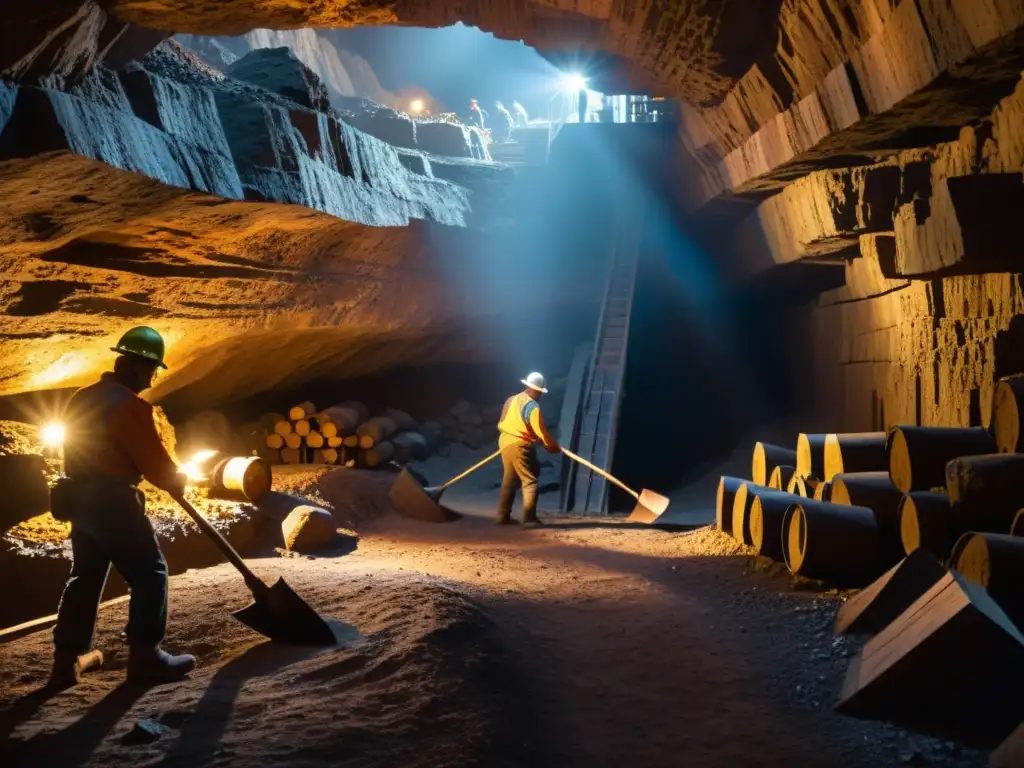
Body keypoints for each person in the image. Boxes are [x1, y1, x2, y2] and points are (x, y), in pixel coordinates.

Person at [50, 326, 196, 688]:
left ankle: (65, 662)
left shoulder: (81, 397)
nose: (150, 380)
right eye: (150, 371)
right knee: (150, 572)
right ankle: (146, 657)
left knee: (85, 576)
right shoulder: (129, 406)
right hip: (113, 501)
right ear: (133, 366)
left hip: (78, 501)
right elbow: (158, 468)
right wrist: (176, 479)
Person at [495, 372, 561, 527]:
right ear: (537, 390)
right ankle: (529, 519)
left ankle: (502, 517)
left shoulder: (511, 400)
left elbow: (503, 420)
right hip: (520, 445)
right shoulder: (533, 407)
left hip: (505, 441)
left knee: (509, 480)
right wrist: (552, 446)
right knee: (530, 480)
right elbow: (541, 432)